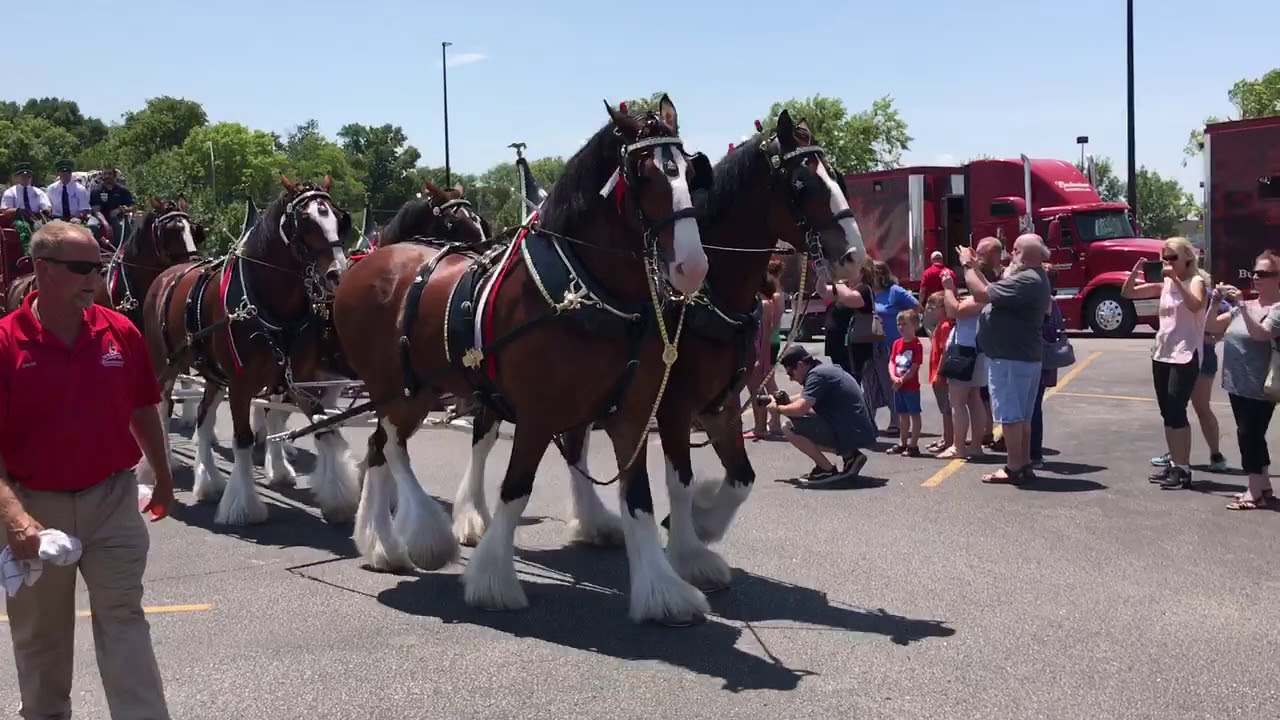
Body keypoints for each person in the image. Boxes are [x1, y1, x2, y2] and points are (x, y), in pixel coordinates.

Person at [0, 221, 174, 719]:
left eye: (97, 268)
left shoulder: (120, 331)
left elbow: (142, 409)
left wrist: (162, 476)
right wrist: (15, 519)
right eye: (80, 268)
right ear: (41, 269)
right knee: (41, 634)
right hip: (34, 506)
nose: (93, 279)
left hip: (113, 500)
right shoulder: (6, 344)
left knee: (124, 618)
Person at [950, 234, 1051, 483]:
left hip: (1011, 358)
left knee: (1010, 417)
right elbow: (992, 291)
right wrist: (975, 267)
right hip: (1020, 357)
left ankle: (1014, 467)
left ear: (1024, 254)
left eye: (1014, 251)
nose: (1010, 255)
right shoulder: (1031, 278)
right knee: (1021, 418)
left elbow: (982, 294)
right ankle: (1022, 463)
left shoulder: (1026, 279)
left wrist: (965, 265)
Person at [1122, 236, 1209, 490]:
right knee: (1167, 411)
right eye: (1164, 257)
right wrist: (1134, 275)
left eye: (1172, 257)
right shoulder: (1165, 285)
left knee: (1176, 408)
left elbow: (1195, 305)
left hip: (1185, 354)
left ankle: (1183, 468)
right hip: (1162, 352)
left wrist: (1174, 282)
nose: (1167, 262)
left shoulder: (1196, 282)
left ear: (1187, 259)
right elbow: (1128, 294)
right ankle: (1174, 464)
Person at [1206, 249, 1280, 510]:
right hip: (1237, 383)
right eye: (1254, 272)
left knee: (1248, 435)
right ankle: (1263, 486)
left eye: (1263, 273)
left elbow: (1261, 334)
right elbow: (1212, 327)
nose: (1256, 277)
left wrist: (1241, 307)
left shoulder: (1276, 309)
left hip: (1260, 386)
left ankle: (1253, 490)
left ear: (1277, 278)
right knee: (1252, 436)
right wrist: (1215, 301)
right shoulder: (1246, 306)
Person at [1150, 275, 1230, 472]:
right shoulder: (1172, 291)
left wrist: (1216, 337)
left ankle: (1216, 454)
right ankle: (1175, 455)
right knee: (1174, 408)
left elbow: (1231, 313)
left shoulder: (1206, 293)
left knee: (1201, 407)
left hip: (1200, 356)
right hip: (1177, 355)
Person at [772, 345, 874, 485]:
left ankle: (826, 469)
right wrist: (785, 401)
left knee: (788, 427)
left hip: (853, 431)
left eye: (791, 373)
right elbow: (805, 401)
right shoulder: (824, 370)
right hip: (857, 429)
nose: (791, 379)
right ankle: (850, 456)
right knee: (801, 418)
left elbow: (800, 409)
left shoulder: (816, 376)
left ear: (801, 365)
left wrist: (778, 409)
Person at [939, 265, 989, 460]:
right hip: (977, 350)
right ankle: (975, 445)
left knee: (958, 403)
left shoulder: (981, 296)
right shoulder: (986, 293)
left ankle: (959, 448)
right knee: (974, 398)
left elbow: (954, 311)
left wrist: (948, 288)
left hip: (966, 352)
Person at [865, 260, 919, 436]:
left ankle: (895, 420)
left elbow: (916, 306)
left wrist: (907, 327)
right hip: (871, 344)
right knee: (870, 383)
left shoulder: (895, 292)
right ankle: (868, 420)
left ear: (880, 275)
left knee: (890, 382)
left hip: (892, 345)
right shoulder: (869, 292)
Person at [745, 262, 785, 440]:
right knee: (765, 386)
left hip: (760, 350)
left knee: (757, 389)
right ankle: (771, 423)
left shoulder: (763, 304)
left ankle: (760, 427)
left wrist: (761, 358)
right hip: (763, 349)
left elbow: (764, 333)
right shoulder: (768, 302)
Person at [886, 308, 924, 455]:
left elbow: (914, 367)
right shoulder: (897, 343)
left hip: (910, 387)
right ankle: (902, 442)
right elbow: (891, 362)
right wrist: (893, 377)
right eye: (899, 324)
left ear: (914, 325)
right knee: (902, 415)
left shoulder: (917, 345)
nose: (901, 327)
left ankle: (913, 444)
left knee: (914, 414)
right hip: (898, 386)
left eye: (905, 324)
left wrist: (902, 379)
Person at [924, 291, 954, 454]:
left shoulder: (945, 327)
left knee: (947, 409)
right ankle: (945, 437)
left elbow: (945, 352)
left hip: (941, 374)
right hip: (936, 371)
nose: (931, 311)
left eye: (934, 308)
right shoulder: (940, 325)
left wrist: (939, 373)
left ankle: (949, 439)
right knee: (943, 408)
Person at [1, 163, 52, 254]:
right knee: (24, 226)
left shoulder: (38, 192)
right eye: (22, 176)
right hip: (18, 218)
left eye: (28, 176)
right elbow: (5, 211)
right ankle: (27, 253)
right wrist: (18, 211)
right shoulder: (10, 192)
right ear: (17, 178)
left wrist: (45, 210)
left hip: (35, 217)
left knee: (40, 227)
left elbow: (46, 206)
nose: (26, 178)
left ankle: (42, 253)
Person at [44, 160, 100, 242]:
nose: (65, 175)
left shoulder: (80, 189)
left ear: (71, 173)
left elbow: (84, 209)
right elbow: (47, 208)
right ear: (58, 173)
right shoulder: (51, 189)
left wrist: (78, 217)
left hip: (77, 218)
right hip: (58, 218)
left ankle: (91, 248)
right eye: (62, 172)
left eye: (68, 172)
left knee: (93, 225)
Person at [88, 168, 136, 248]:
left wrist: (121, 209)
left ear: (114, 176)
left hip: (117, 216)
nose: (107, 176)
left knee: (122, 226)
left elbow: (133, 207)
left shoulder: (122, 191)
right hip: (99, 216)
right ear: (102, 176)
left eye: (110, 174)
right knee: (92, 225)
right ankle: (94, 249)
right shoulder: (96, 191)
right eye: (105, 174)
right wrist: (105, 223)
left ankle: (121, 250)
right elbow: (96, 210)